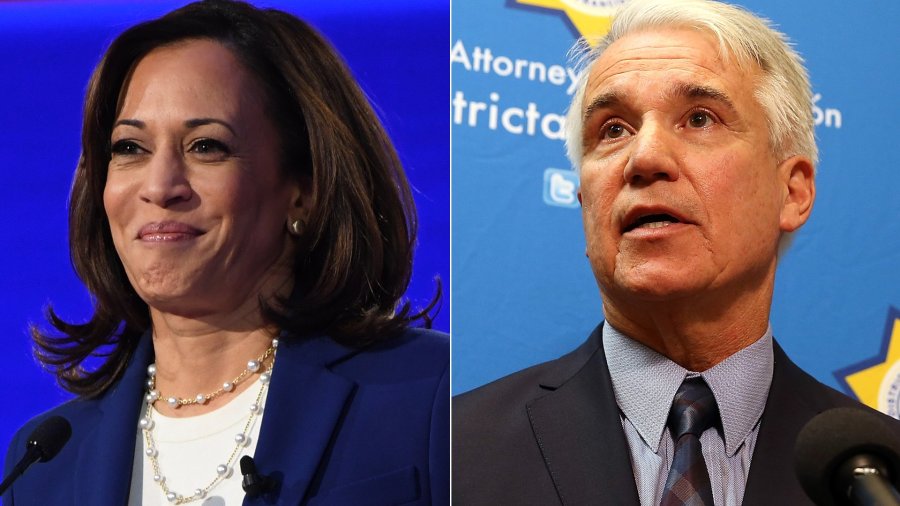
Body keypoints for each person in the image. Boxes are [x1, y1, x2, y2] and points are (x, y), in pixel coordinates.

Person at [452, 0, 899, 504]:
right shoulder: (455, 449)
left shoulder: (882, 476)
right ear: (584, 202)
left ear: (792, 192)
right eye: (614, 130)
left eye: (700, 119)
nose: (643, 157)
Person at [2, 1, 448, 505]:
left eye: (206, 146)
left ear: (304, 191)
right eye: (130, 148)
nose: (160, 186)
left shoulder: (431, 394)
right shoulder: (44, 465)